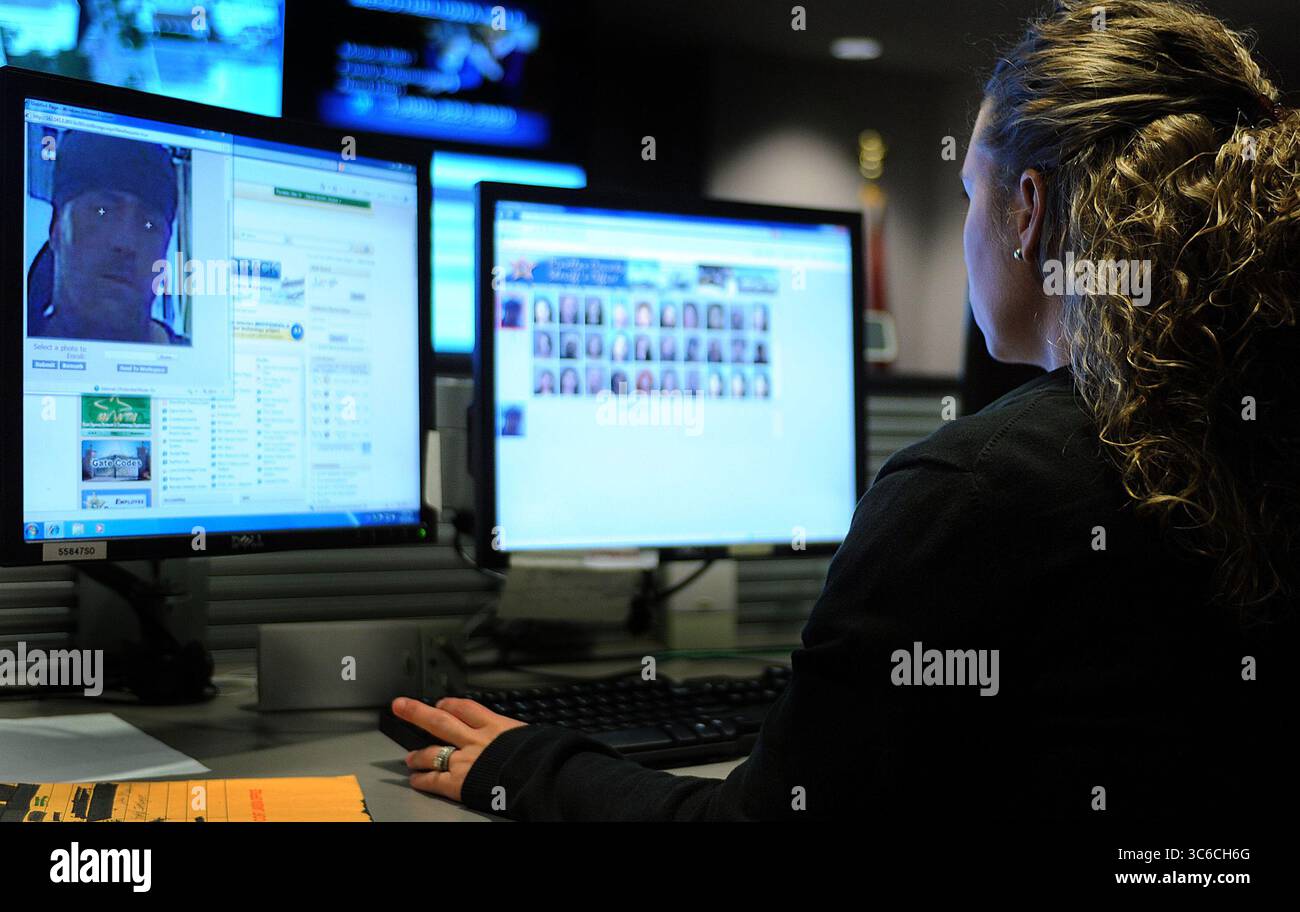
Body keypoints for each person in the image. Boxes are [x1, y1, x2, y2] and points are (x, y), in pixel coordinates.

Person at [392, 0, 1299, 822]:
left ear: (1027, 211)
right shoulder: (1256, 432)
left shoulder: (977, 488)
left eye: (965, 195)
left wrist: (532, 763)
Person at [29, 130, 182, 344]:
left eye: (149, 225)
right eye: (102, 211)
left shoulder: (201, 368)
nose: (125, 242)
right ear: (56, 228)